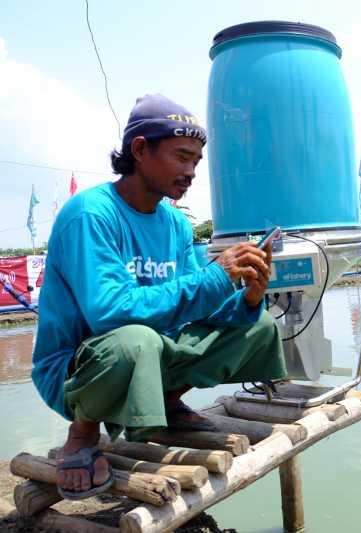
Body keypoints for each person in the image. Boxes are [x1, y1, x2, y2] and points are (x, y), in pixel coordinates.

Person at [31, 94, 287, 500]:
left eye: (196, 163)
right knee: (136, 340)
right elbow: (109, 314)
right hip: (78, 369)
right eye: (181, 157)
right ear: (139, 150)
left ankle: (165, 403)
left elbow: (198, 306)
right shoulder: (91, 215)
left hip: (150, 353)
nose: (190, 172)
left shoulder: (175, 223)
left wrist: (248, 298)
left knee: (259, 325)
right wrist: (216, 276)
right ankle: (82, 434)